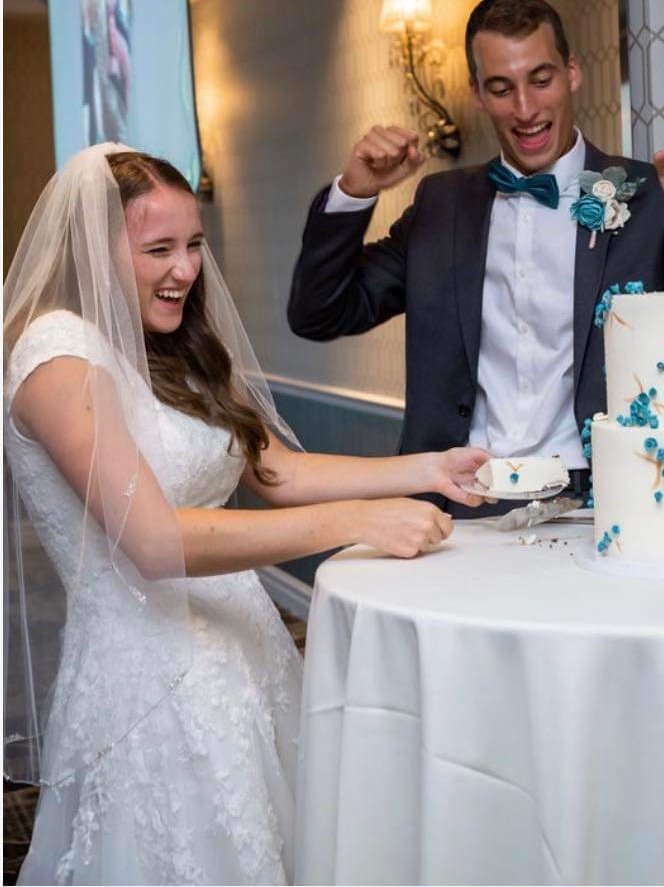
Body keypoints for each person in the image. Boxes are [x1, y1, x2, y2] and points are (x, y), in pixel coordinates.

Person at [3, 143, 491, 886]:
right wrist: (357, 521)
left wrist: (430, 469)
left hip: (244, 646)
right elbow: (153, 540)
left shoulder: (174, 345)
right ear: (93, 251)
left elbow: (277, 470)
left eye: (194, 245)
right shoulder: (57, 358)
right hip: (153, 682)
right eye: (158, 250)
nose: (186, 270)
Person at [288, 0, 664, 518]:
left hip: (608, 501)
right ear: (477, 93)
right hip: (461, 499)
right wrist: (354, 192)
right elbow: (319, 314)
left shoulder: (650, 198)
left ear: (572, 73)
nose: (525, 109)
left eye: (541, 79)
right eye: (502, 88)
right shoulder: (441, 204)